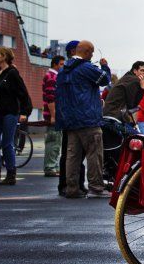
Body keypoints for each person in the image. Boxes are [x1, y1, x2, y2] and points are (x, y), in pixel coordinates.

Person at [56, 40, 111, 198]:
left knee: (73, 156)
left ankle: (72, 188)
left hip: (70, 120)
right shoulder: (86, 68)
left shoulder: (64, 70)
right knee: (94, 154)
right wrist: (105, 66)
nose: (92, 55)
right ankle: (96, 187)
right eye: (91, 53)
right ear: (86, 52)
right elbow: (105, 79)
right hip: (88, 119)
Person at [0, 47, 33, 185]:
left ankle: (11, 174)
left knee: (7, 143)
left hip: (10, 112)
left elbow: (23, 93)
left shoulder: (12, 73)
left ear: (5, 56)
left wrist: (25, 112)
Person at [57, 40, 86, 197]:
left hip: (71, 117)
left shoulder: (67, 69)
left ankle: (73, 184)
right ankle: (68, 184)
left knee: (74, 154)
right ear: (74, 51)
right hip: (73, 117)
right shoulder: (71, 69)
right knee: (72, 154)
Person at [42, 55, 65, 177]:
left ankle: (53, 166)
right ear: (55, 64)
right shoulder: (52, 77)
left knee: (56, 142)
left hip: (55, 114)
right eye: (61, 64)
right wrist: (53, 116)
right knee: (53, 142)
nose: (63, 66)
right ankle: (50, 167)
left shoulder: (53, 76)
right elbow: (50, 98)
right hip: (54, 114)